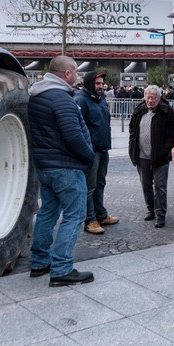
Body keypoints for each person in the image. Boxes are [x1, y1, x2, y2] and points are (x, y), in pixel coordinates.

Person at [28, 55, 95, 286]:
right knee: (74, 215)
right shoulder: (62, 99)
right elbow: (72, 135)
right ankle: (61, 268)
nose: (77, 76)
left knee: (47, 212)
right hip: (66, 167)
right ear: (67, 73)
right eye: (76, 71)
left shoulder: (38, 95)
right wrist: (89, 156)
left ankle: (39, 262)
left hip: (45, 166)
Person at [75, 71, 120, 235]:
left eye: (102, 83)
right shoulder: (81, 100)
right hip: (91, 151)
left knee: (100, 184)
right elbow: (78, 128)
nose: (101, 86)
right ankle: (90, 220)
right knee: (90, 187)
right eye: (98, 84)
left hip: (102, 149)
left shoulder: (100, 99)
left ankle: (101, 215)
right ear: (88, 83)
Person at [128, 85, 174, 228]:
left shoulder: (167, 111)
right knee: (146, 185)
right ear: (144, 97)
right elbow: (132, 129)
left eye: (153, 98)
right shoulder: (139, 110)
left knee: (160, 186)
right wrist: (132, 146)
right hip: (142, 156)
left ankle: (160, 214)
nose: (150, 100)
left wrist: (165, 148)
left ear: (159, 97)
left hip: (160, 156)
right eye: (148, 97)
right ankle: (151, 210)